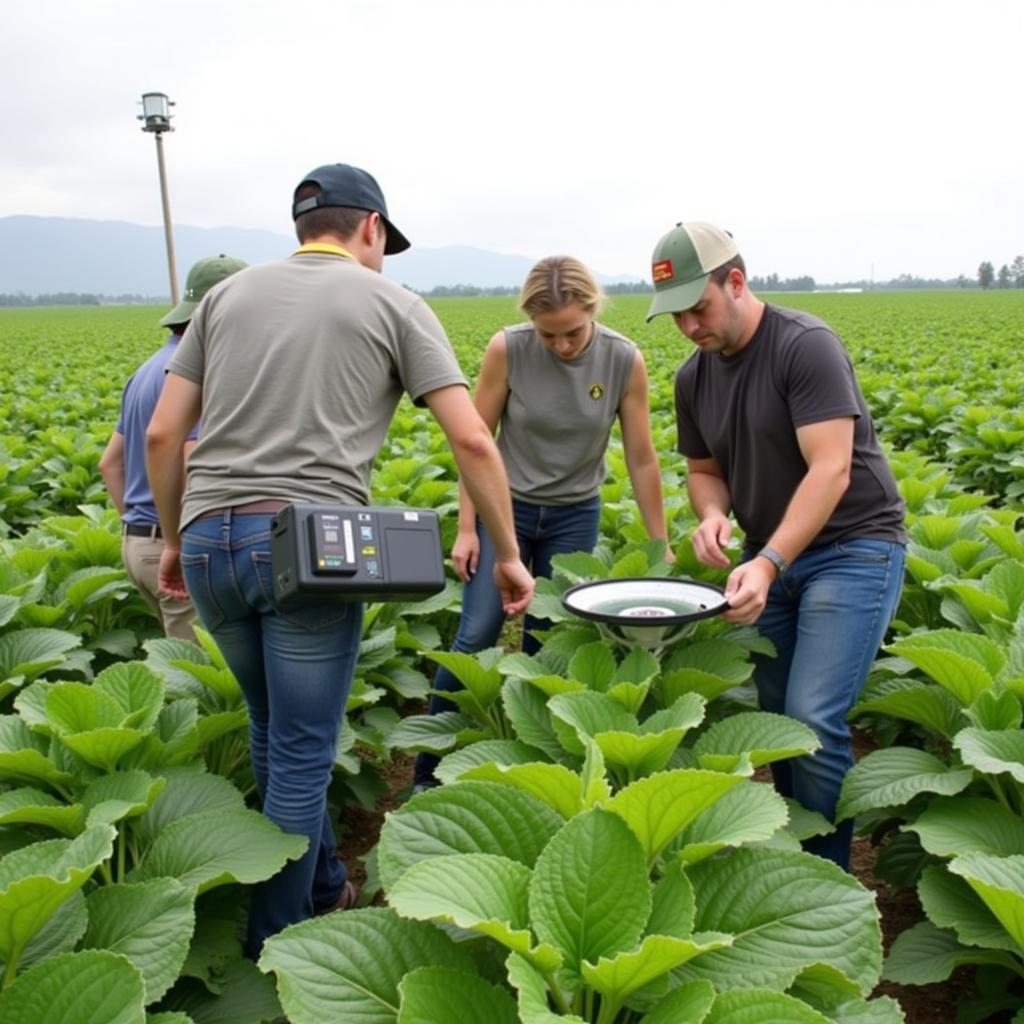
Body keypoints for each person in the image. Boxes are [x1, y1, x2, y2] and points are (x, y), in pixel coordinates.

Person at [145, 162, 534, 957]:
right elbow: (470, 437)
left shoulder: (224, 297)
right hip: (301, 548)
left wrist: (177, 537)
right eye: (385, 241)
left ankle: (323, 882)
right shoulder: (393, 301)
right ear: (371, 231)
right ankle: (283, 939)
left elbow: (161, 434)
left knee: (269, 727)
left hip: (213, 539)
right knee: (299, 749)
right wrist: (509, 555)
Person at [646, 221, 906, 870]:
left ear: (735, 282)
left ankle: (828, 883)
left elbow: (832, 469)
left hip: (854, 548)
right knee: (779, 724)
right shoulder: (692, 378)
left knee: (814, 717)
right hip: (771, 554)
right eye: (674, 317)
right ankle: (796, 866)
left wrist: (766, 560)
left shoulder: (804, 346)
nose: (689, 328)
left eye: (697, 309)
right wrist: (710, 518)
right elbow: (705, 472)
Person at [413, 255, 672, 790]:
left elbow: (643, 459)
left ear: (593, 311)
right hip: (502, 508)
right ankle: (427, 773)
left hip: (575, 514)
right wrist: (466, 527)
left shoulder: (624, 359)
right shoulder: (509, 348)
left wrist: (659, 544)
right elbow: (475, 441)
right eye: (548, 334)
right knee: (477, 633)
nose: (562, 346)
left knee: (546, 644)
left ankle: (535, 769)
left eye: (573, 332)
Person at [99, 254, 247, 640]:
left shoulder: (148, 368)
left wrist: (141, 527)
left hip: (137, 545)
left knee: (183, 665)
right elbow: (188, 459)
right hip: (177, 548)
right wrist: (174, 541)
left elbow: (109, 464)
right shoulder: (195, 375)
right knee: (199, 682)